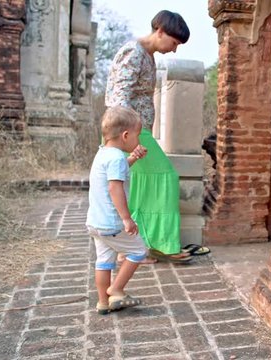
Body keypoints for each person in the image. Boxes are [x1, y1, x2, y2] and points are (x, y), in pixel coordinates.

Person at [105, 10, 192, 263]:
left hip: (133, 132)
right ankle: (158, 244)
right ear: (160, 31)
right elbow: (119, 97)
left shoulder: (147, 55)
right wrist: (129, 138)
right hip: (127, 133)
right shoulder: (135, 52)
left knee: (139, 190)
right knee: (165, 176)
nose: (174, 50)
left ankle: (136, 247)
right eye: (174, 43)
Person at [86, 106, 150, 315]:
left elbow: (116, 171)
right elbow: (115, 187)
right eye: (137, 135)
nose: (138, 140)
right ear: (125, 135)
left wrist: (132, 157)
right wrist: (126, 218)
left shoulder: (103, 153)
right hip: (112, 222)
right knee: (138, 251)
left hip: (96, 223)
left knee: (104, 261)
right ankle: (116, 288)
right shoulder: (115, 158)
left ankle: (103, 302)